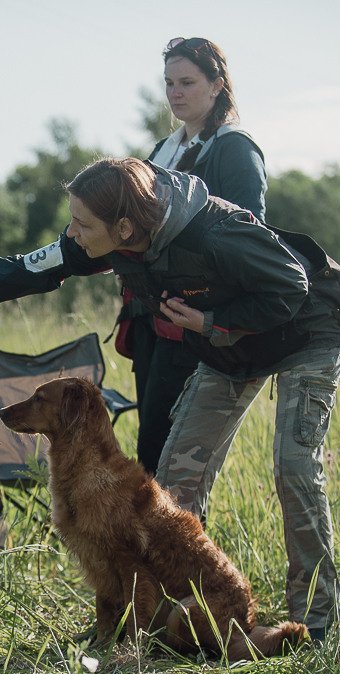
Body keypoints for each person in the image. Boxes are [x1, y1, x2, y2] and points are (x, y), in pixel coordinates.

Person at [0, 157, 340, 643]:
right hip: (228, 349)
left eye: (81, 224)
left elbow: (292, 285)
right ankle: (167, 624)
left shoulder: (216, 231)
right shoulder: (107, 237)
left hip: (306, 333)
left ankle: (317, 628)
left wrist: (211, 322)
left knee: (295, 467)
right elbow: (20, 269)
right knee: (174, 484)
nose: (72, 234)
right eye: (72, 221)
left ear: (124, 227)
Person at [123, 36, 267, 474]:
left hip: (197, 326)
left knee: (174, 460)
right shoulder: (162, 151)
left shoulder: (235, 149)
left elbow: (252, 241)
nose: (175, 94)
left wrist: (208, 313)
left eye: (186, 82)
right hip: (151, 317)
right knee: (149, 450)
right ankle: (156, 544)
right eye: (169, 83)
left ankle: (181, 544)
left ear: (217, 85)